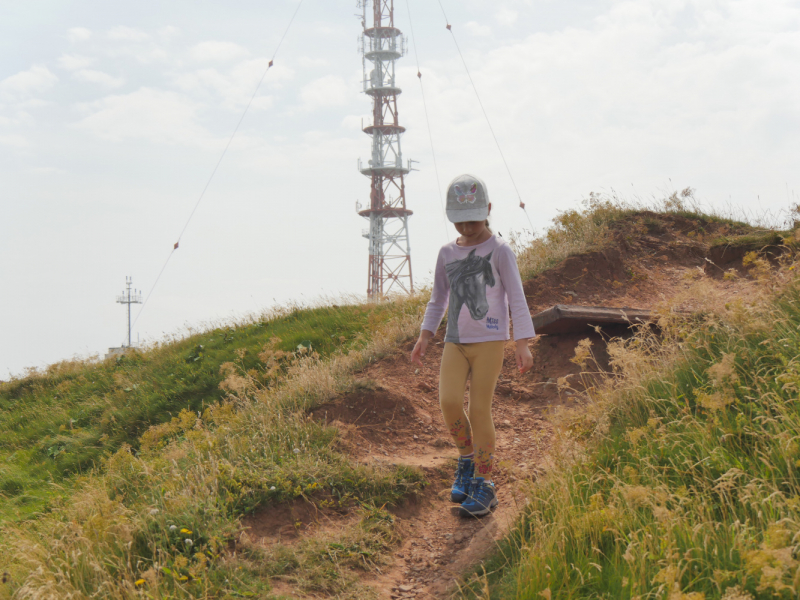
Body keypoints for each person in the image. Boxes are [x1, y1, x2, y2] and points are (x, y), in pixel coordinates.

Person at [410, 174, 535, 517]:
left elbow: (517, 299)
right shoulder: (447, 253)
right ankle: (466, 460)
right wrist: (425, 336)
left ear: (489, 211)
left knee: (480, 411)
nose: (467, 227)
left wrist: (521, 342)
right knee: (449, 402)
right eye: (460, 221)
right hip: (456, 342)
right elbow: (438, 298)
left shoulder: (500, 251)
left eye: (474, 219)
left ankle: (485, 484)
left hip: (490, 342)